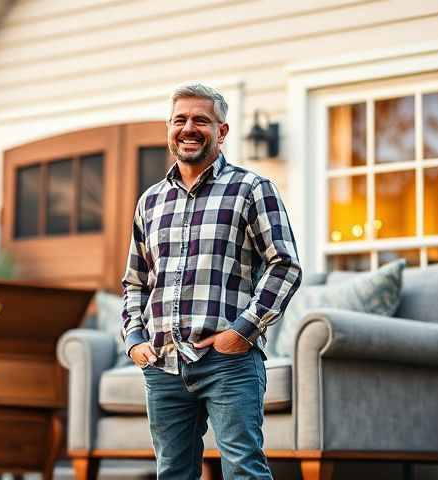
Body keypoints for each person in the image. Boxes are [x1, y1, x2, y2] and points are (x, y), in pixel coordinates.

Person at [121, 82, 303, 479]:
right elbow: (135, 280)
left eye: (201, 120)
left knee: (244, 470)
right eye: (179, 120)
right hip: (163, 363)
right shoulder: (149, 202)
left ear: (221, 132)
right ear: (169, 129)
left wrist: (241, 332)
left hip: (228, 362)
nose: (189, 128)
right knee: (172, 472)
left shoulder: (252, 189)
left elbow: (285, 265)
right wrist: (135, 339)